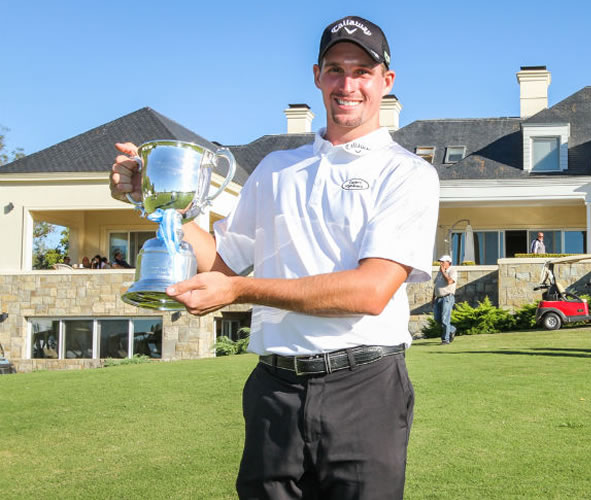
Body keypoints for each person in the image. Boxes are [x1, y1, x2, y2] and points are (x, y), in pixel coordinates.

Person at [110, 15, 439, 499]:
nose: (347, 85)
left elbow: (370, 291)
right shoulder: (276, 168)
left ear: (385, 81)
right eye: (335, 69)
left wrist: (240, 290)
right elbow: (221, 262)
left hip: (364, 388)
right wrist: (158, 202)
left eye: (362, 72)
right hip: (275, 389)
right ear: (317, 76)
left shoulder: (407, 174)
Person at [432, 255, 458, 344]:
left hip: (447, 297)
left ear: (449, 263)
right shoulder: (439, 272)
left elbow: (450, 281)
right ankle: (452, 329)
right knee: (437, 319)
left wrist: (443, 272)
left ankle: (445, 339)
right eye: (440, 262)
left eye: (443, 262)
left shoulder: (452, 271)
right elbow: (436, 286)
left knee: (445, 319)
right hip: (438, 298)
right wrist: (433, 299)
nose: (441, 263)